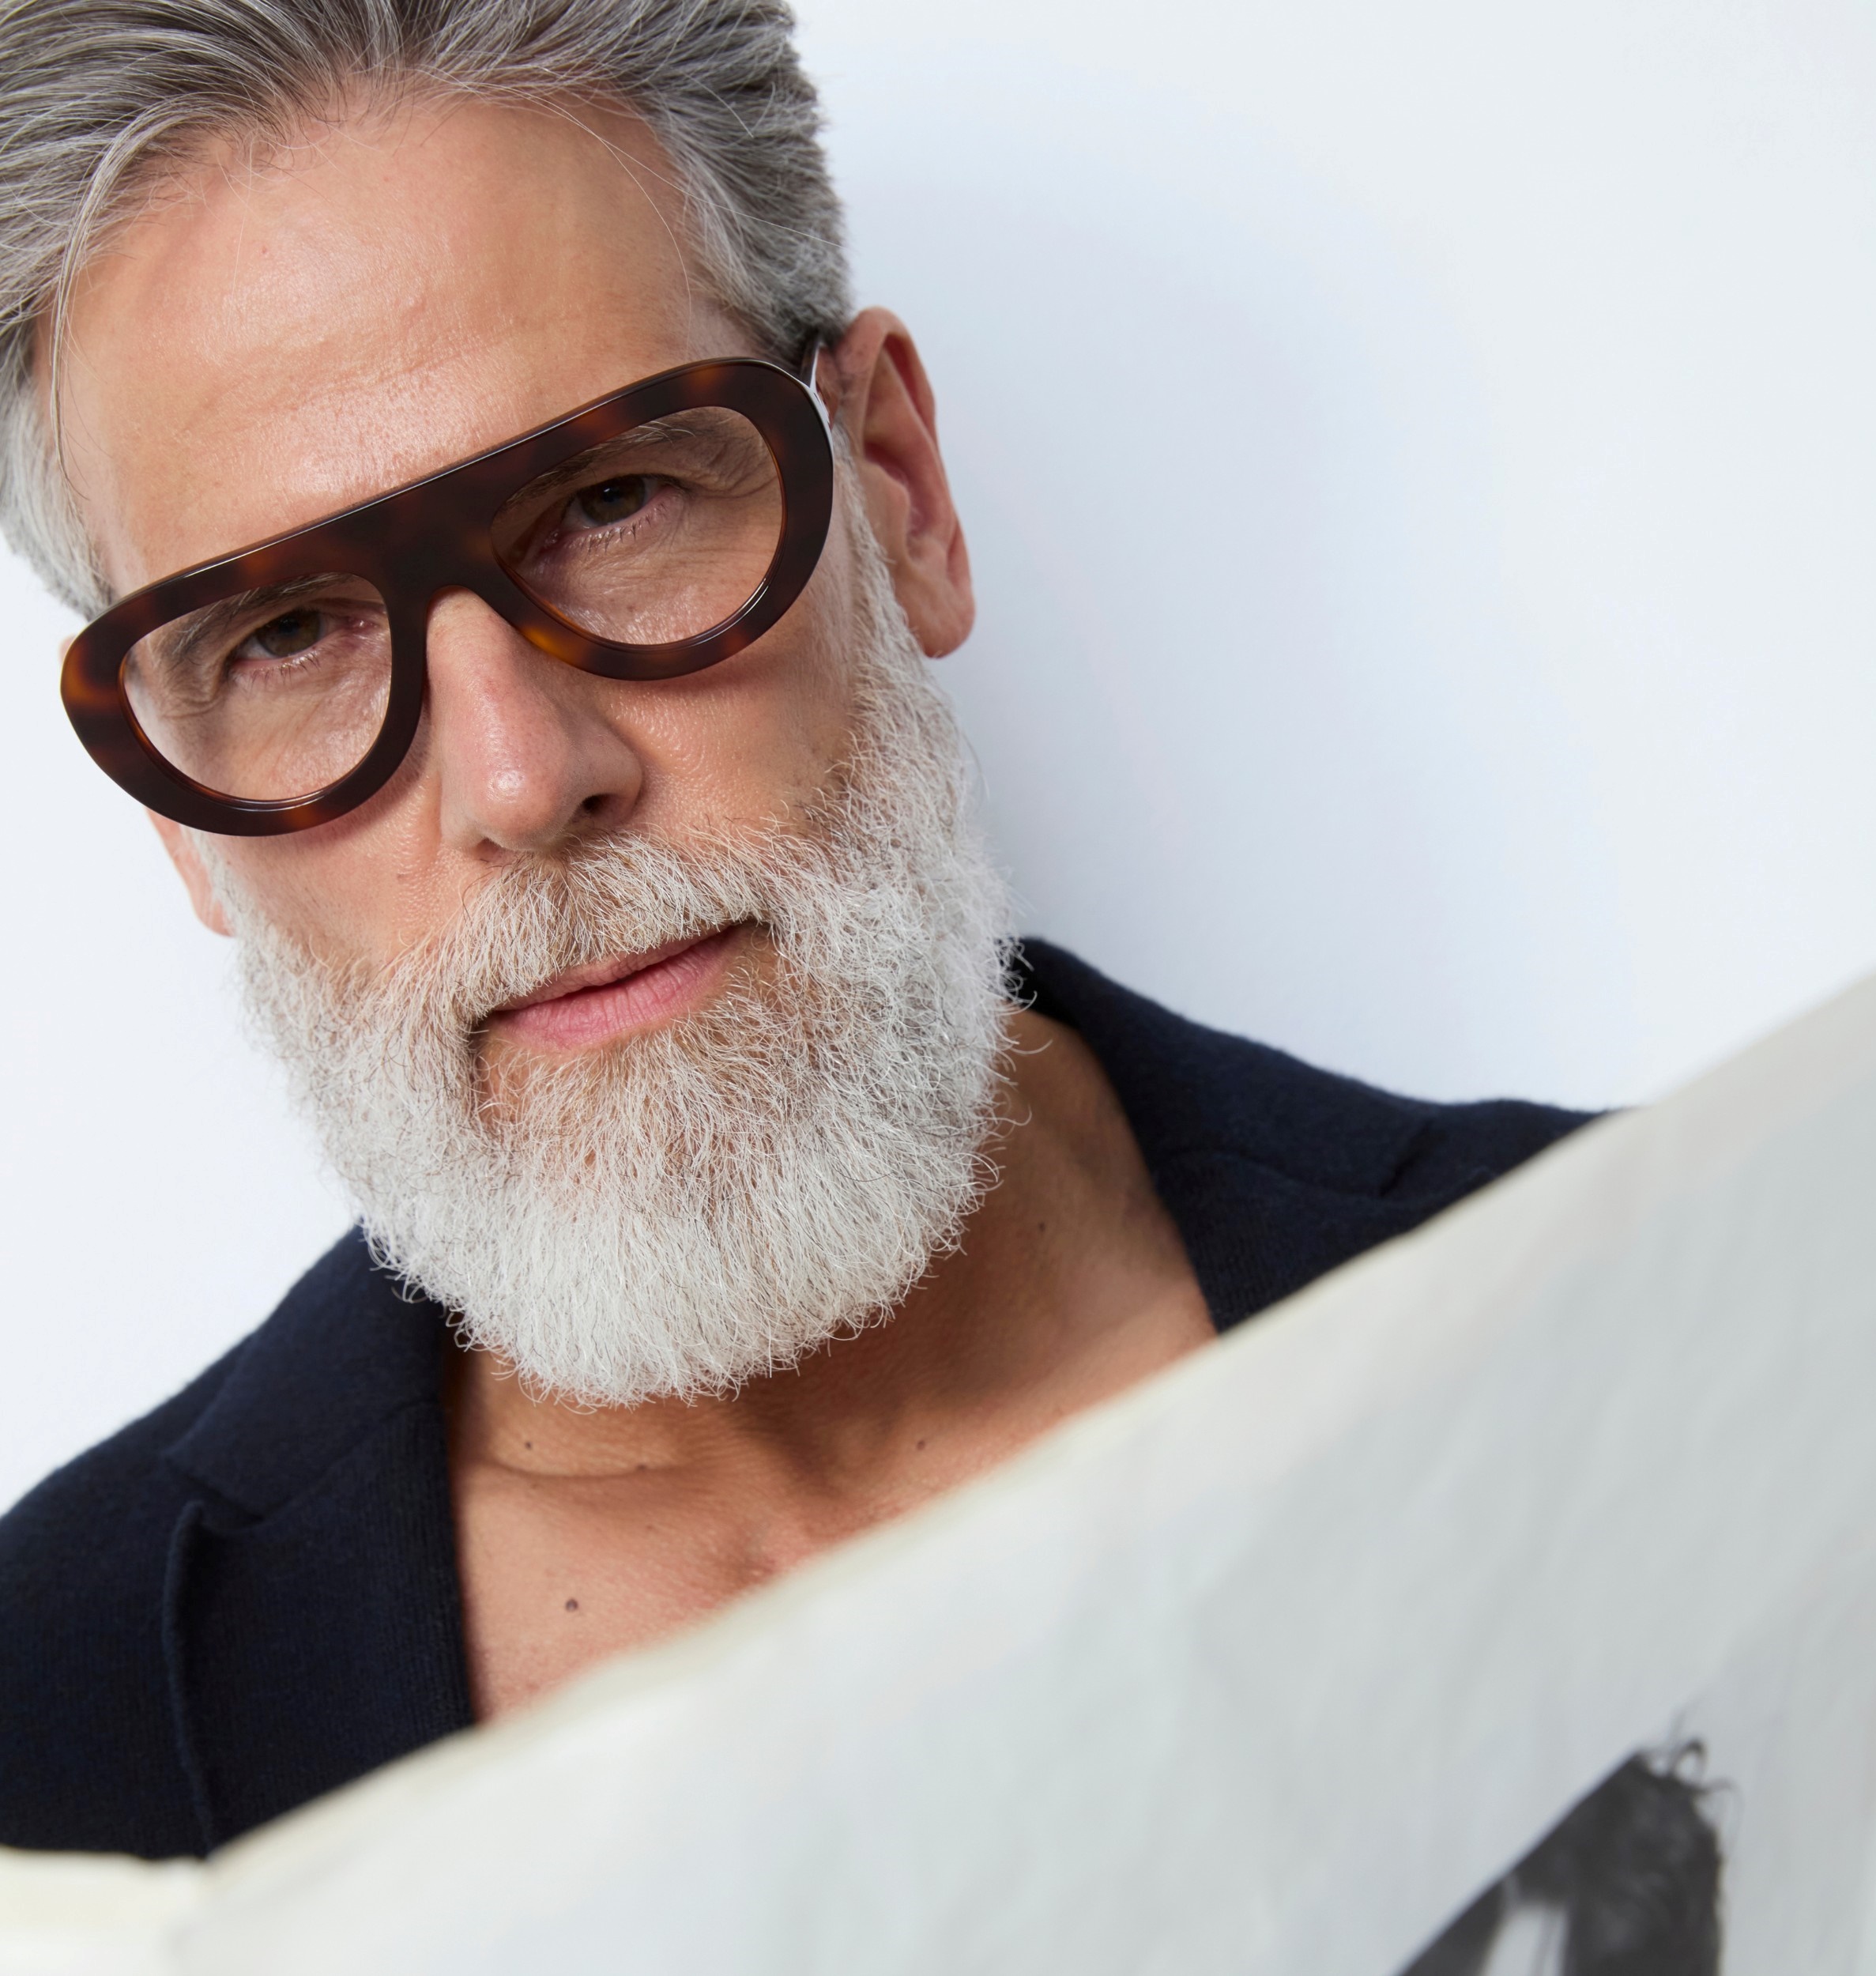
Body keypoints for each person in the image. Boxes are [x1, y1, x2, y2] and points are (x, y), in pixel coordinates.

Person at [0, 0, 1589, 1869]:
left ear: (894, 492)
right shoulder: (49, 1745)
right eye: (283, 639)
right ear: (178, 809)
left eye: (610, 500)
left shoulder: (1671, 1310)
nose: (520, 775)